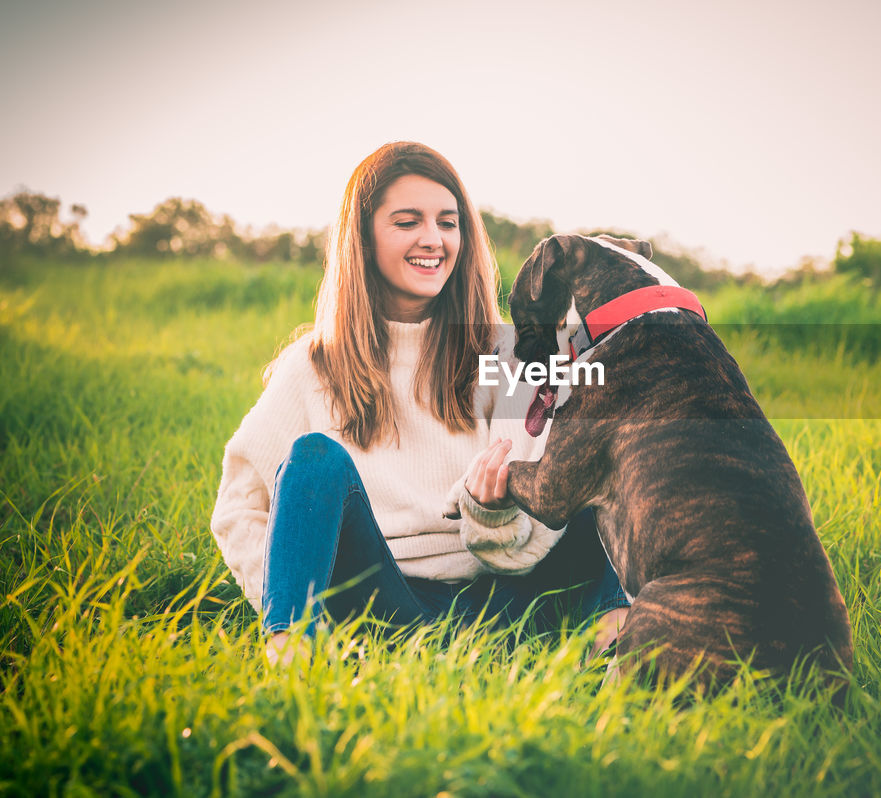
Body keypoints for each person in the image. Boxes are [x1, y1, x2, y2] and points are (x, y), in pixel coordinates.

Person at [210, 141, 629, 665]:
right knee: (315, 458)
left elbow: (544, 516)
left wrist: (492, 515)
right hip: (378, 604)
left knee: (595, 457)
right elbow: (239, 509)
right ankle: (294, 655)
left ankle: (618, 648)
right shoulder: (313, 365)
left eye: (447, 222)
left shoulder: (507, 354)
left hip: (508, 603)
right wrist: (291, 596)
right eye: (407, 222)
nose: (432, 239)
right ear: (363, 238)